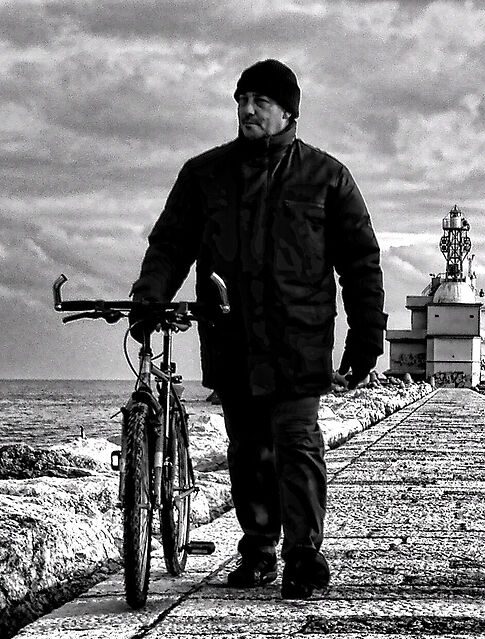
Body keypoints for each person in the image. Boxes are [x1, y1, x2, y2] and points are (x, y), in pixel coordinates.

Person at [132, 59, 385, 599]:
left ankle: (302, 557)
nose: (247, 109)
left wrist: (367, 338)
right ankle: (258, 552)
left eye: (260, 102)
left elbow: (361, 262)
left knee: (296, 445)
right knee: (246, 449)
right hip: (232, 337)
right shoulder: (203, 174)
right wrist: (149, 297)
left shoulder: (327, 176)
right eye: (241, 100)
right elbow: (171, 244)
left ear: (288, 112)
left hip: (300, 339)